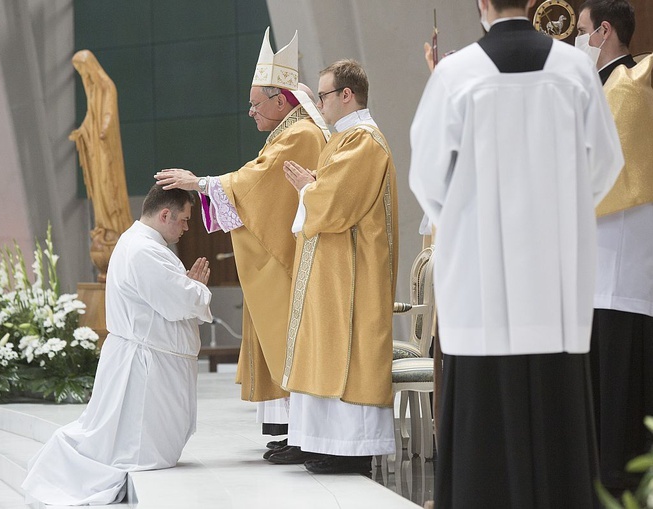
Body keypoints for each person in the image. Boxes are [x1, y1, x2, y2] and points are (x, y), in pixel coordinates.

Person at [409, 0, 624, 506]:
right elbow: (607, 165)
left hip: (482, 291)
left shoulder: (455, 74)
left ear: (483, 4)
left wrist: (469, 218)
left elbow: (427, 178)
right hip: (555, 291)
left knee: (482, 438)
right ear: (532, 3)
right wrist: (560, 212)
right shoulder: (575, 68)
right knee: (559, 425)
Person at [155, 28, 329, 450]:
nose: (249, 112)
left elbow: (258, 184)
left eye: (255, 104)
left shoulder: (301, 135)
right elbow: (256, 184)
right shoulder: (286, 134)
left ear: (281, 100)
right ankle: (287, 431)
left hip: (290, 263)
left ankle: (300, 433)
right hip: (282, 259)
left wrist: (201, 184)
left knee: (289, 339)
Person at [22, 185, 212, 505]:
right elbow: (177, 301)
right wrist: (196, 289)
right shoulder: (144, 250)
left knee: (132, 439)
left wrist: (186, 287)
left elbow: (170, 295)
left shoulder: (139, 243)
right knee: (130, 446)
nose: (186, 227)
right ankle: (62, 467)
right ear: (165, 214)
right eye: (184, 219)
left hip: (147, 357)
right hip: (146, 362)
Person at [275, 59, 398, 474]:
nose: (320, 104)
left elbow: (335, 203)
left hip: (354, 273)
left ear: (347, 95)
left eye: (324, 95)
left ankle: (353, 447)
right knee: (328, 351)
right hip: (336, 269)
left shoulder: (364, 140)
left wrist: (310, 187)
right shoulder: (346, 139)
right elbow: (333, 192)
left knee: (350, 353)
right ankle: (327, 443)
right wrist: (314, 184)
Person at [577, 0, 653, 493]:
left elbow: (610, 170)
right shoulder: (598, 86)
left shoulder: (629, 84)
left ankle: (614, 483)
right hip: (597, 261)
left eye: (582, 31)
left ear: (605, 32)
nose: (576, 40)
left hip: (619, 261)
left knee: (619, 379)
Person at [70, 49, 134, 282]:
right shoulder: (92, 91)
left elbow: (108, 115)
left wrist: (103, 130)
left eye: (84, 71)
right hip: (97, 151)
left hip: (107, 151)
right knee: (99, 191)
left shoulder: (106, 87)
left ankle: (113, 227)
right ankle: (104, 227)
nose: (84, 77)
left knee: (109, 189)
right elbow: (90, 118)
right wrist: (83, 132)